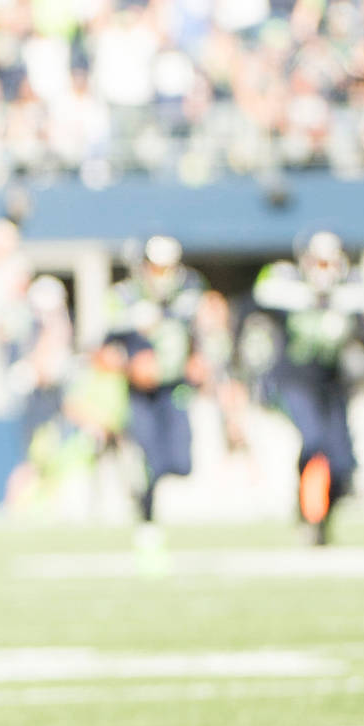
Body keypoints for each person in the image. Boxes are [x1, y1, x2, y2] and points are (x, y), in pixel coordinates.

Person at [249, 231, 364, 545]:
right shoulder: (286, 283)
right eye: (319, 262)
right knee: (314, 441)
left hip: (332, 384)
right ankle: (305, 510)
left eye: (331, 262)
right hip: (294, 379)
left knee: (343, 464)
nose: (325, 270)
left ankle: (322, 521)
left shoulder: (350, 291)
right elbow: (257, 300)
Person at [107, 235, 206, 561]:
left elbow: (202, 333)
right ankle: (147, 520)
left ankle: (146, 499)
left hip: (175, 386)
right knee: (148, 459)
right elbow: (105, 347)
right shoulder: (125, 297)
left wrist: (200, 358)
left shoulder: (190, 291)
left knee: (179, 461)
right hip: (140, 392)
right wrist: (128, 363)